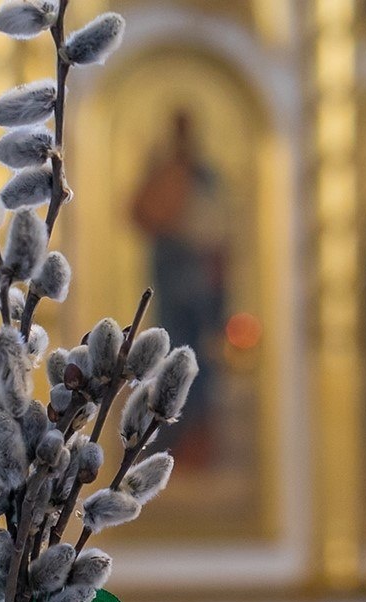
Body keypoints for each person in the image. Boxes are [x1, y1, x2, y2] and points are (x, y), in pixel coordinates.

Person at [130, 110, 229, 466]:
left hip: (198, 282)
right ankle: (174, 436)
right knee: (171, 352)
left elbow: (218, 232)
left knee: (198, 358)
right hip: (170, 280)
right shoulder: (163, 172)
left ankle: (197, 439)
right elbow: (141, 213)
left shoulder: (204, 175)